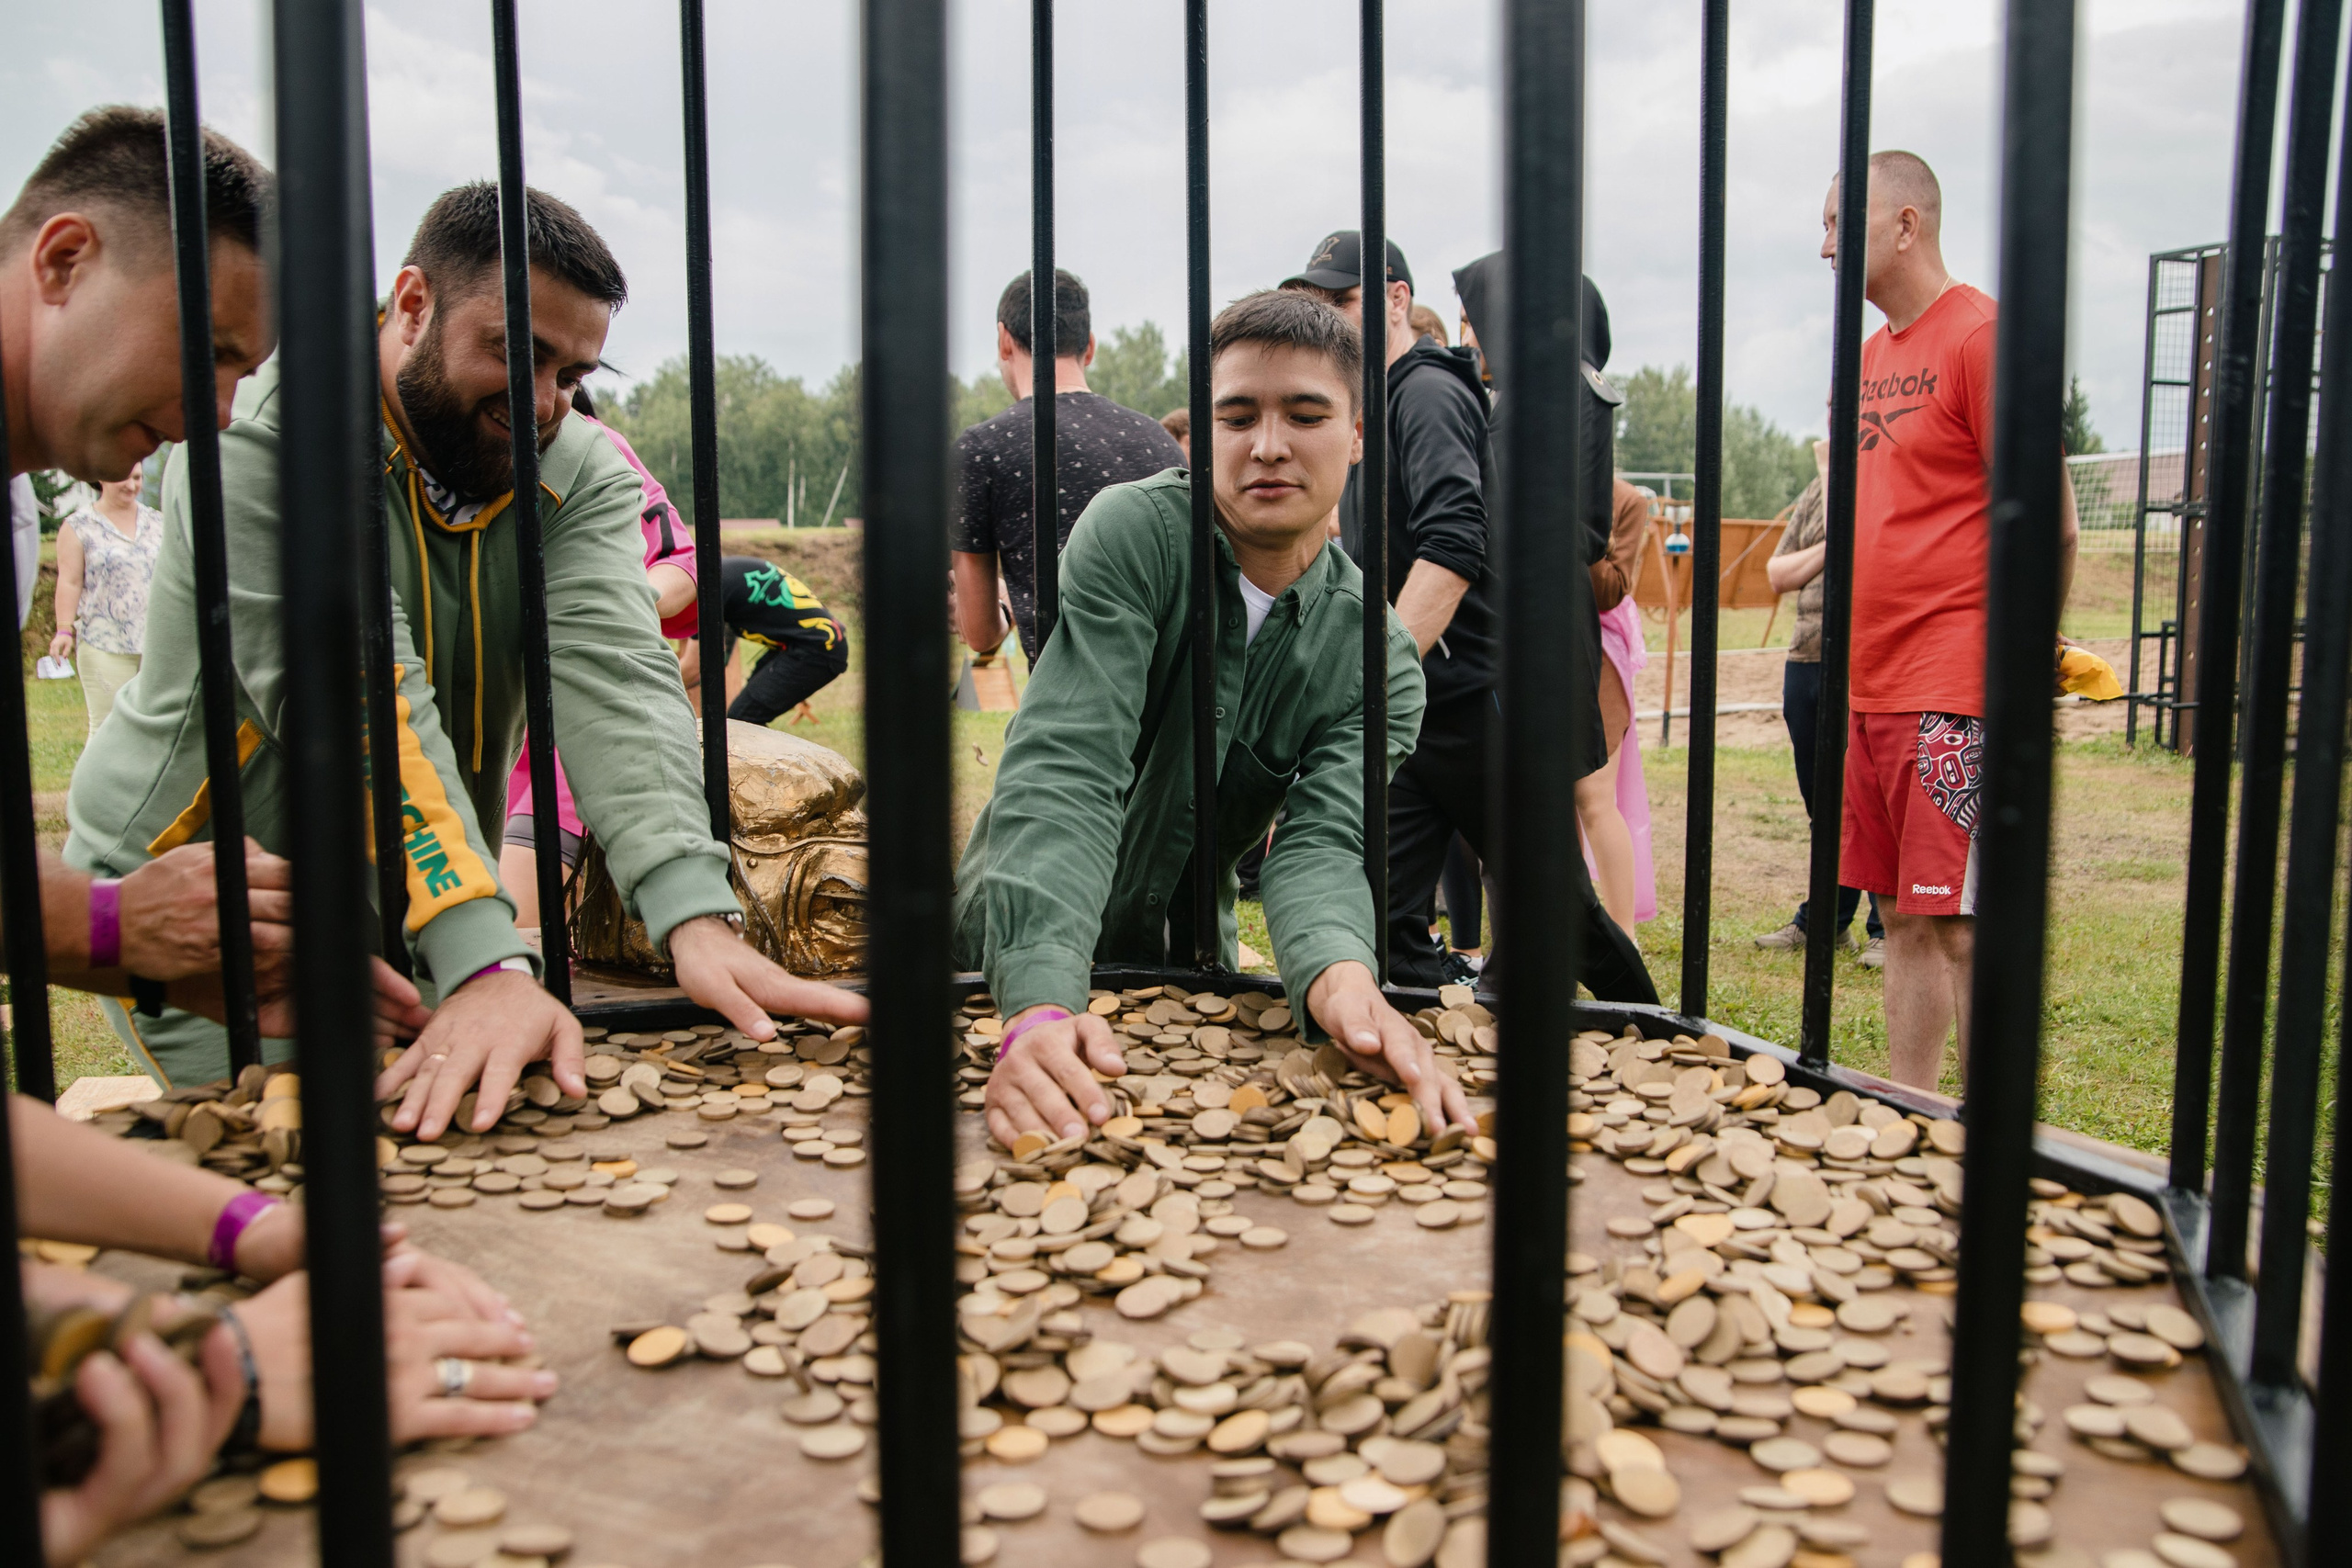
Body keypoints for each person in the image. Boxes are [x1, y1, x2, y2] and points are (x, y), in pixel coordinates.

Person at [67, 179, 865, 1125]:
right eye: (514, 353)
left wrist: (695, 911)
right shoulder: (261, 439)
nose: (542, 404)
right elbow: (359, 698)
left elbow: (618, 680)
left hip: (414, 887)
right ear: (412, 305)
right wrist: (484, 955)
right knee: (308, 1171)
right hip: (217, 895)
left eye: (572, 376)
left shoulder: (577, 468)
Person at [960, 289, 1470, 1146]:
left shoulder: (1379, 658)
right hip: (1008, 957)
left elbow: (1322, 844)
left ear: (1356, 433)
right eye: (1237, 417)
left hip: (1189, 972)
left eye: (1306, 414)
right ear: (1202, 434)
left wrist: (1343, 979)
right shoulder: (1132, 535)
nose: (1267, 445)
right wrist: (1041, 998)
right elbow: (1068, 769)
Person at [1295, 235, 1653, 1000]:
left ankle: (1645, 1020)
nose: (1326, 317)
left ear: (1396, 300)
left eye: (1344, 301)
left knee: (1554, 918)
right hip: (1422, 698)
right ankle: (1430, 1029)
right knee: (1384, 915)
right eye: (1316, 302)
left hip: (1474, 698)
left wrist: (1378, 671)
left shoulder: (1424, 390)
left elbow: (1455, 544)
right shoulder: (1373, 399)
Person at [1822, 151, 2076, 1089]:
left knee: (1960, 921)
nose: (1824, 248)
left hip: (1953, 683)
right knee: (1900, 916)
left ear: (1904, 225)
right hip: (1870, 681)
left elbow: (2050, 523)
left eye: (1839, 223)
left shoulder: (1981, 336)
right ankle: (1908, 1112)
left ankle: (1989, 1132)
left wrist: (2015, 656)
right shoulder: (1871, 357)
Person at [499, 386, 699, 925]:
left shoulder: (594, 449)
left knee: (516, 929)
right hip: (454, 732)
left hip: (564, 736)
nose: (543, 400)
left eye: (566, 376)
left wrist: (606, 610)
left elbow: (680, 562)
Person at [952, 268, 1188, 665]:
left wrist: (1007, 611)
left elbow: (979, 633)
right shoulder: (1158, 440)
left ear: (1004, 341)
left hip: (1066, 712)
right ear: (1090, 346)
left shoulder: (983, 449)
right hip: (1169, 706)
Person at [1755, 437, 1885, 964]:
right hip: (1806, 661)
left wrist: (1838, 475)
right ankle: (1826, 923)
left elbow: (1868, 549)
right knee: (1823, 804)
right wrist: (1831, 541)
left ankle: (1885, 928)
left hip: (1863, 659)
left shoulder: (1882, 481)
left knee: (1869, 800)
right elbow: (1778, 573)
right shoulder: (1815, 493)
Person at [1580, 479, 1657, 937]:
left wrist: (1582, 534)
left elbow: (1611, 589)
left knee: (1594, 796)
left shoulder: (1625, 499)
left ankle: (1623, 935)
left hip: (1601, 651)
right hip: (1537, 647)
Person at [51, 459, 164, 732]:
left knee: (154, 730)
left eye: (137, 478)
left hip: (156, 644)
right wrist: (64, 630)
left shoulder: (157, 521)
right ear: (101, 477)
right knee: (108, 730)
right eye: (124, 478)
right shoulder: (78, 526)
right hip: (104, 643)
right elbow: (70, 581)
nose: (131, 485)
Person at [676, 555, 850, 727]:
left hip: (818, 649)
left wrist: (654, 688)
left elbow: (694, 667)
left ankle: (788, 756)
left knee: (743, 720)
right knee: (745, 717)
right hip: (803, 645)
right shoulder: (715, 574)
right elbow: (718, 657)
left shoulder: (710, 590)